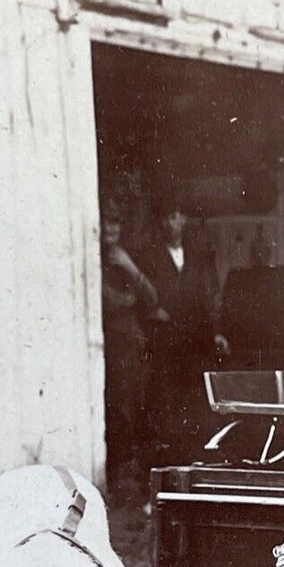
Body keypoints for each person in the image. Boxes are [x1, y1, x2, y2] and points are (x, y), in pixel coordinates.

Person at [137, 197, 228, 468]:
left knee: (198, 402)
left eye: (175, 216)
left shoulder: (199, 254)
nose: (170, 223)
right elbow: (142, 297)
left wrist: (216, 333)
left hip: (195, 341)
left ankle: (199, 463)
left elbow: (211, 298)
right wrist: (152, 314)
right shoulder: (149, 256)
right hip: (165, 343)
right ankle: (172, 465)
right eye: (165, 217)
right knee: (168, 407)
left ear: (184, 220)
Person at [98, 188, 160, 494]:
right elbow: (110, 301)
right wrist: (130, 298)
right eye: (106, 223)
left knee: (137, 406)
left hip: (133, 345)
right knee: (118, 408)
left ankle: (132, 476)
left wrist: (129, 266)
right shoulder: (95, 262)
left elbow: (151, 297)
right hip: (112, 347)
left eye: (116, 224)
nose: (111, 229)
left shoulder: (122, 258)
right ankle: (119, 477)